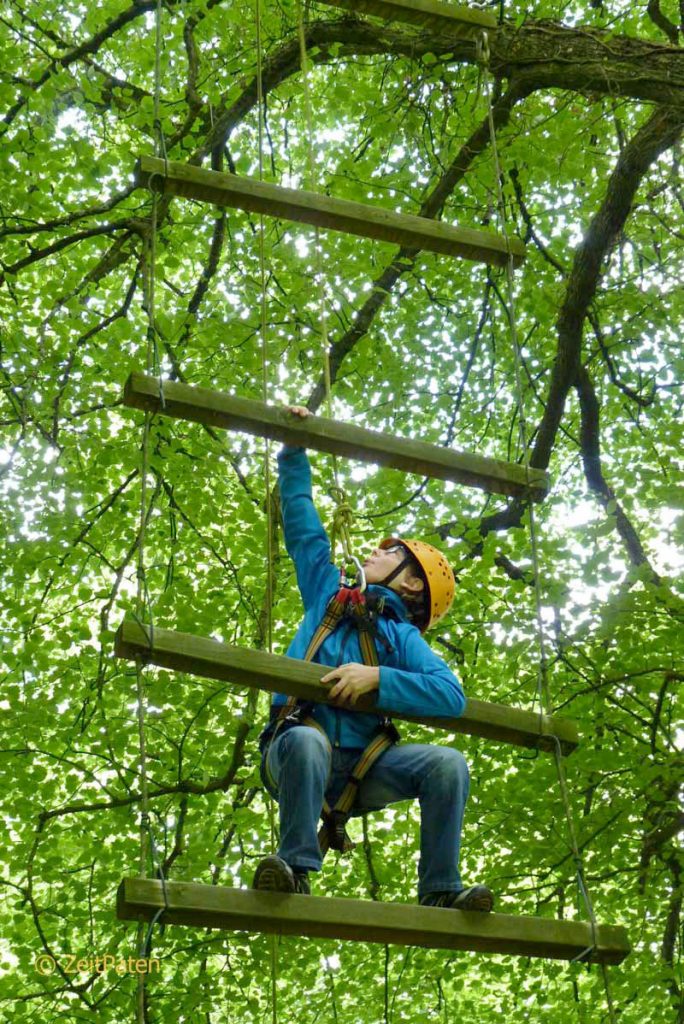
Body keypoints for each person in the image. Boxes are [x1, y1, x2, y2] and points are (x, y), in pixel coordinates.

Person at [253, 407, 493, 912]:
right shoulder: (328, 592)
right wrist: (293, 448)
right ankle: (294, 870)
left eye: (388, 554)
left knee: (447, 764)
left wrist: (377, 678)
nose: (371, 554)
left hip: (366, 766)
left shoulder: (399, 636)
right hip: (298, 752)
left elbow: (449, 694)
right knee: (302, 740)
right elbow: (302, 525)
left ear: (409, 581)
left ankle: (440, 889)